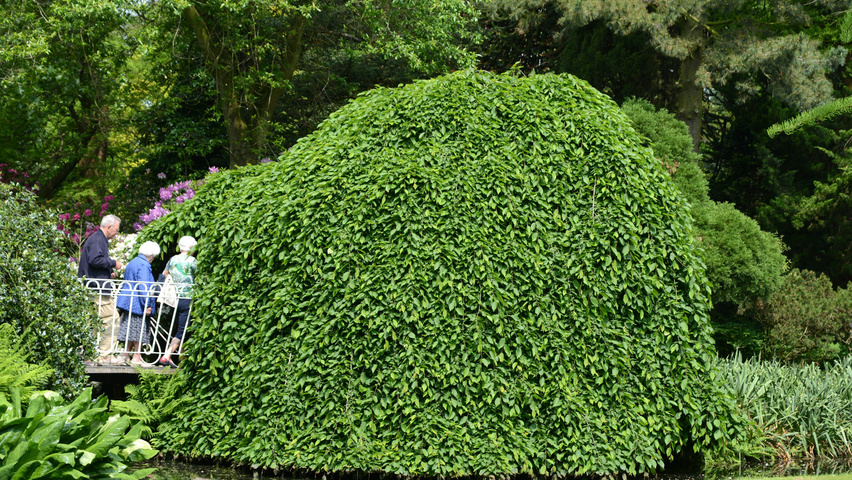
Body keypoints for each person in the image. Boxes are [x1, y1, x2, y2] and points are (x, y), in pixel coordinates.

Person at [77, 214, 124, 364]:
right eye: (116, 230)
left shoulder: (97, 239)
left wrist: (107, 273)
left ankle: (88, 355)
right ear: (109, 227)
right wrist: (113, 263)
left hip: (93, 288)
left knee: (92, 321)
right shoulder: (98, 239)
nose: (116, 233)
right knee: (112, 318)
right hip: (97, 290)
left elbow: (93, 262)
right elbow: (95, 259)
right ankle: (105, 355)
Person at [115, 241, 160, 367]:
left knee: (131, 327)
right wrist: (147, 304)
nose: (153, 259)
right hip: (138, 303)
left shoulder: (133, 261)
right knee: (139, 329)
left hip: (128, 301)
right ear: (151, 255)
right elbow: (144, 286)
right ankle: (137, 357)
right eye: (154, 257)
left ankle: (125, 354)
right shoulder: (144, 265)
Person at [157, 236, 197, 368]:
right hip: (188, 297)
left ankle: (182, 358)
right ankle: (167, 355)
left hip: (176, 298)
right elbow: (199, 278)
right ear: (191, 247)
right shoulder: (192, 261)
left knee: (183, 328)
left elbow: (165, 274)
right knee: (183, 329)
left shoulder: (173, 259)